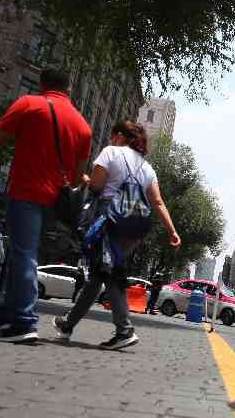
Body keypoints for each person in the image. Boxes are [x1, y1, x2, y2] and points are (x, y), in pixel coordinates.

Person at [0, 68, 92, 343]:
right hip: (54, 201)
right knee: (21, 254)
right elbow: (76, 177)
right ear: (69, 88)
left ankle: (24, 321)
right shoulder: (83, 126)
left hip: (26, 191)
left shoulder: (29, 104)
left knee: (24, 254)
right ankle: (8, 315)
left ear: (42, 84)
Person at [53, 120, 181, 349]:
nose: (111, 140)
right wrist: (172, 231)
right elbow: (158, 201)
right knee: (99, 275)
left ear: (120, 136)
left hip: (109, 222)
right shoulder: (147, 167)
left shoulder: (110, 152)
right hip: (135, 228)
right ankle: (68, 324)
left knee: (109, 273)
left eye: (113, 135)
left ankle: (124, 330)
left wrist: (83, 178)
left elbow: (96, 187)